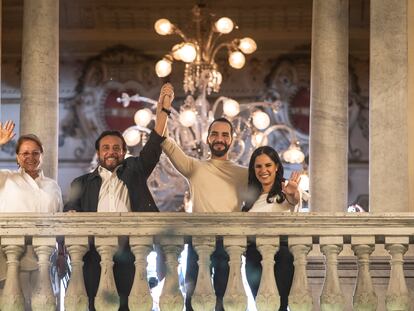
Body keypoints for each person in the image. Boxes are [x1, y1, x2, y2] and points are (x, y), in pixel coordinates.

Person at [64, 83, 174, 311]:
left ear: (123, 152)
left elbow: (154, 146)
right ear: (98, 153)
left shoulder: (134, 169)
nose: (111, 152)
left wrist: (163, 111)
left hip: (130, 253)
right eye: (106, 148)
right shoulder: (82, 183)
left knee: (129, 305)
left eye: (116, 148)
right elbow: (69, 213)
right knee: (94, 305)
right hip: (93, 256)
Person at [161, 117, 248, 311]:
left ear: (231, 140)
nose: (220, 138)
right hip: (198, 242)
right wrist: (163, 109)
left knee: (227, 302)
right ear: (208, 138)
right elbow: (166, 142)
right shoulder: (195, 167)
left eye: (225, 135)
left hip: (229, 245)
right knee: (193, 301)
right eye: (215, 134)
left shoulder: (244, 174)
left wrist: (294, 196)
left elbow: (271, 191)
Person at [0, 120, 63, 311]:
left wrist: (62, 253)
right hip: (11, 257)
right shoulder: (6, 178)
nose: (30, 157)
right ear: (17, 157)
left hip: (45, 258)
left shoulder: (53, 186)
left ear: (42, 156)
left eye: (36, 153)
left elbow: (59, 224)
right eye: (25, 153)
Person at [242, 146, 301, 311]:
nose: (263, 170)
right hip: (253, 257)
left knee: (280, 306)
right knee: (262, 306)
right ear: (253, 170)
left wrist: (292, 193)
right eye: (258, 166)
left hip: (281, 256)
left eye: (268, 165)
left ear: (276, 167)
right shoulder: (249, 200)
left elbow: (294, 200)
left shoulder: (285, 191)